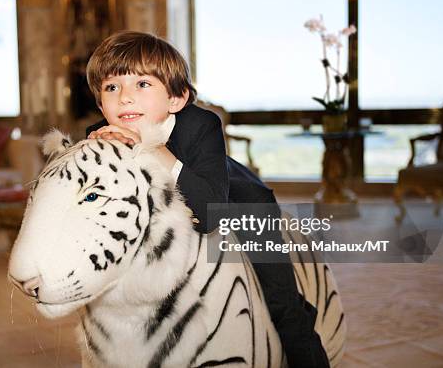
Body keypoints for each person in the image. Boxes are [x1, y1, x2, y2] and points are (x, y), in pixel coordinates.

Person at [85, 30, 330, 368]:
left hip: (237, 203)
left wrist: (155, 149)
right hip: (171, 217)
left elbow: (209, 214)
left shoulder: (202, 125)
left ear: (176, 99)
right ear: (100, 104)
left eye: (142, 84)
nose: (125, 97)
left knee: (280, 303)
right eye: (112, 87)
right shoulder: (100, 136)